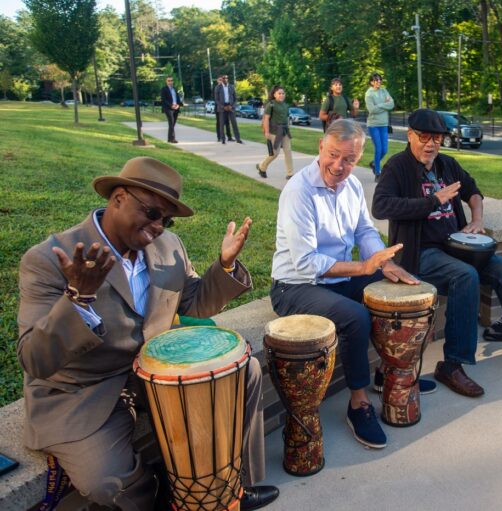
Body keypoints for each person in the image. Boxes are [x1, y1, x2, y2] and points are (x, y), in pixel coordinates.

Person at [16, 157, 278, 510]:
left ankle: (230, 490)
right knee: (104, 482)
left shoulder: (168, 246)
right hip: (83, 388)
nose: (159, 227)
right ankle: (168, 498)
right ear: (119, 197)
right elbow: (34, 358)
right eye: (153, 213)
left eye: (166, 220)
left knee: (246, 371)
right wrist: (77, 300)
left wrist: (225, 265)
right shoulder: (51, 259)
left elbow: (194, 303)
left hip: (154, 371)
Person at [372, 109, 502, 398]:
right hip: (419, 253)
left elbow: (473, 191)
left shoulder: (447, 165)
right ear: (410, 135)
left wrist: (477, 219)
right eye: (424, 137)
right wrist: (432, 201)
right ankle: (452, 364)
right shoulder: (396, 167)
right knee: (466, 277)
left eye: (437, 138)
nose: (431, 144)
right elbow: (381, 206)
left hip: (456, 247)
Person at [270, 119, 420, 449]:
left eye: (349, 159)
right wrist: (364, 266)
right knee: (356, 316)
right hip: (295, 286)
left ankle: (391, 374)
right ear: (321, 147)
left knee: (397, 291)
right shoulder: (299, 191)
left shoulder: (351, 186)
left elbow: (365, 232)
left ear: (358, 158)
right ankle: (358, 404)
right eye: (334, 155)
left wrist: (383, 264)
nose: (339, 166)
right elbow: (306, 262)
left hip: (336, 277)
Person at [256, 85, 294, 180]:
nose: (281, 95)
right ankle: (262, 167)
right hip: (274, 132)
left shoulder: (286, 105)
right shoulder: (271, 105)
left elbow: (287, 118)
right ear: (274, 94)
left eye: (283, 93)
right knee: (274, 154)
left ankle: (290, 173)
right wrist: (267, 132)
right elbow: (266, 119)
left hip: (285, 131)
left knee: (288, 151)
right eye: (279, 93)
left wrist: (288, 128)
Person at [364, 72, 394, 181]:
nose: (378, 82)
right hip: (373, 125)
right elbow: (372, 110)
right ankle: (377, 173)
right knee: (379, 148)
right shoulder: (369, 94)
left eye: (380, 80)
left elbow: (391, 104)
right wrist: (384, 105)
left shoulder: (384, 91)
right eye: (376, 80)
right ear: (371, 82)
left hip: (384, 124)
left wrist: (380, 105)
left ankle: (374, 163)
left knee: (385, 150)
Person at [215, 74, 242, 144]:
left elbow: (235, 99)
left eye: (227, 78)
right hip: (222, 107)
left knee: (234, 123)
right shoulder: (218, 87)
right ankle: (223, 139)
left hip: (231, 106)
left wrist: (232, 106)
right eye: (224, 78)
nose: (225, 79)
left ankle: (238, 139)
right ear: (222, 79)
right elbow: (216, 99)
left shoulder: (231, 87)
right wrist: (222, 106)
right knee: (221, 124)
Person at [160, 76, 182, 143]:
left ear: (173, 81)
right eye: (168, 81)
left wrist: (178, 105)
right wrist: (171, 105)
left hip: (176, 108)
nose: (170, 82)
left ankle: (169, 139)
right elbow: (164, 100)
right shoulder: (164, 89)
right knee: (171, 122)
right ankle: (172, 139)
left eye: (171, 80)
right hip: (168, 108)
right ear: (166, 82)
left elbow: (178, 98)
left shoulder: (174, 89)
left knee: (173, 124)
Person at [214, 76, 234, 143]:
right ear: (217, 81)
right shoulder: (217, 88)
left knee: (227, 122)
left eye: (221, 80)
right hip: (219, 108)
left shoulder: (226, 88)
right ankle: (219, 137)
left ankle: (229, 137)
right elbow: (216, 99)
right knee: (219, 123)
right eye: (219, 80)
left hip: (226, 107)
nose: (221, 81)